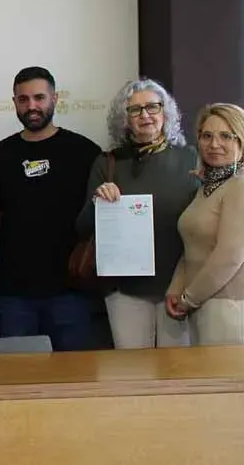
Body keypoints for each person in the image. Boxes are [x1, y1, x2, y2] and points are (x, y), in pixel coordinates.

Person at [0, 66, 101, 351]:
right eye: (23, 99)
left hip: (72, 290)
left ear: (55, 99)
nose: (31, 106)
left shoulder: (85, 152)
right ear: (14, 103)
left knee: (74, 380)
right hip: (14, 293)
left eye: (39, 97)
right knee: (19, 382)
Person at [76, 79, 198, 349]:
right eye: (135, 110)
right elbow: (82, 228)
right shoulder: (108, 163)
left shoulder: (192, 159)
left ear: (165, 113)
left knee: (176, 373)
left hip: (179, 288)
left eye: (153, 107)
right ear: (124, 119)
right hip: (125, 291)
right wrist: (98, 201)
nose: (145, 115)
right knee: (130, 373)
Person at [167, 103, 244, 344]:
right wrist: (176, 289)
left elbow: (229, 257)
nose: (214, 144)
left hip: (235, 310)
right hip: (205, 305)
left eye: (226, 136)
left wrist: (188, 298)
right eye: (207, 136)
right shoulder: (210, 186)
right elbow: (192, 246)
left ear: (243, 141)